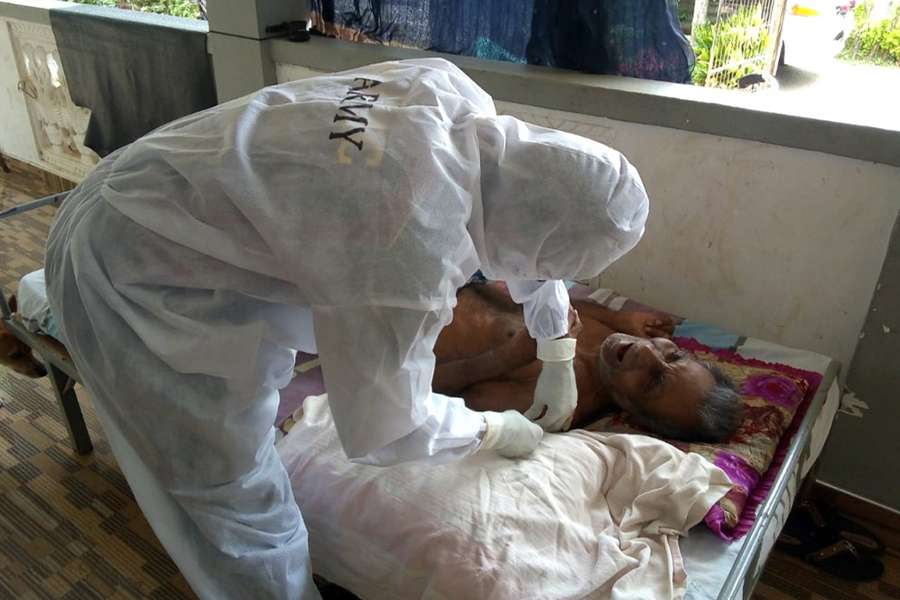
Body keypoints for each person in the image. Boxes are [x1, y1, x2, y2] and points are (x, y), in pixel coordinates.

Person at [43, 58, 649, 600]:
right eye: (549, 265)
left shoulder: (451, 92)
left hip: (157, 172)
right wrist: (493, 430)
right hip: (135, 265)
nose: (546, 277)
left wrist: (558, 348)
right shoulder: (408, 247)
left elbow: (536, 223)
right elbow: (388, 431)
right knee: (232, 493)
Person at [433, 281, 742, 442]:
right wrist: (618, 316)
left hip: (400, 316)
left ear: (635, 413)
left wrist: (505, 358)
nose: (647, 353)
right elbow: (559, 303)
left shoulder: (552, 398)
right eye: (672, 354)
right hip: (448, 267)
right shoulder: (616, 343)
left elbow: (426, 390)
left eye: (654, 381)